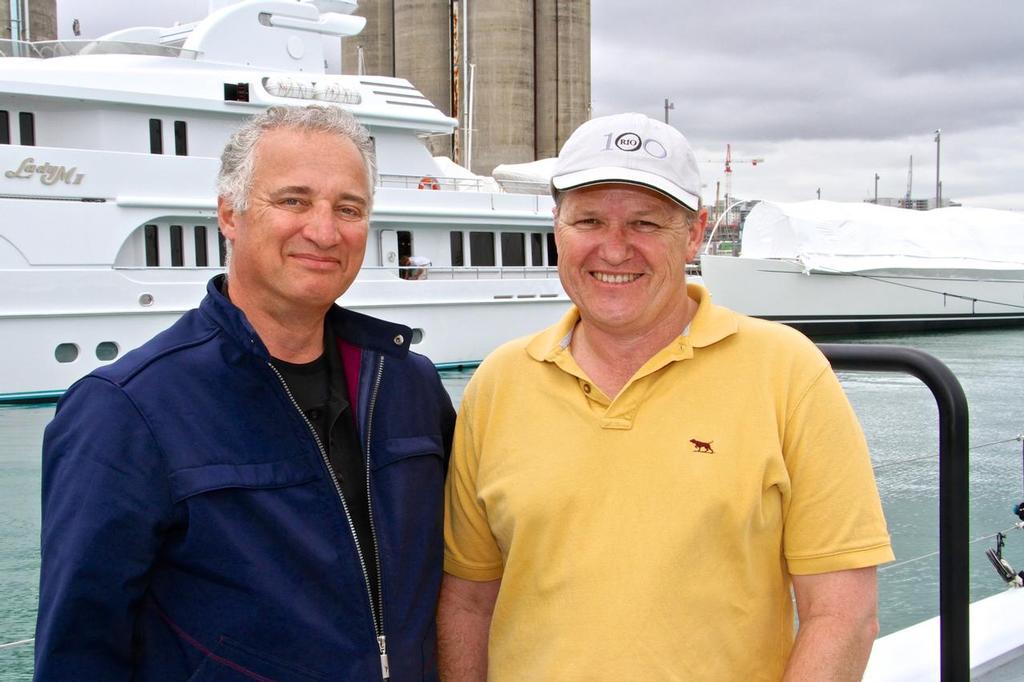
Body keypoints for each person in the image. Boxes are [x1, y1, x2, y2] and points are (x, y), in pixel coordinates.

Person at [437, 112, 893, 681]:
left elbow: (843, 615)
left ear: (695, 233)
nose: (614, 248)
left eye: (646, 224)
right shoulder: (499, 383)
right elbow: (468, 600)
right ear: (557, 226)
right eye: (589, 220)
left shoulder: (789, 373)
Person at [34, 105, 456, 681]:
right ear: (229, 215)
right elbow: (80, 649)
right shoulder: (127, 409)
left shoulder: (409, 383)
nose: (325, 231)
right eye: (293, 201)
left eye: (349, 208)